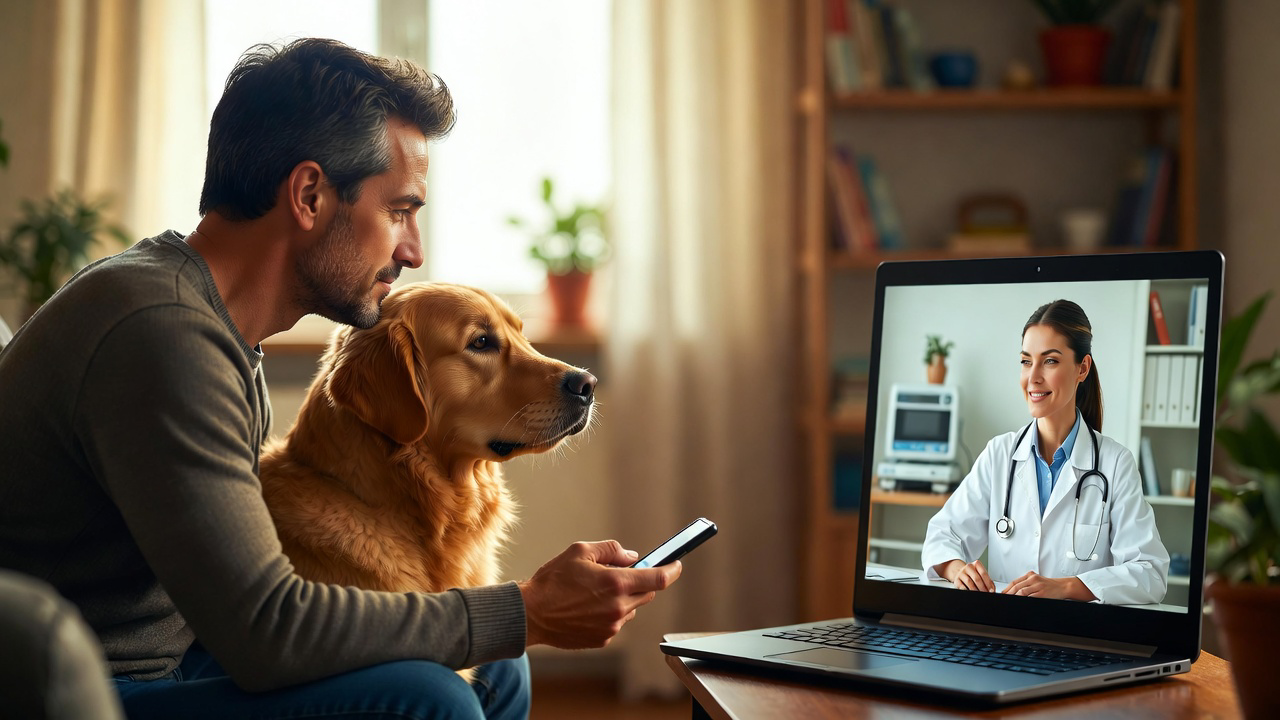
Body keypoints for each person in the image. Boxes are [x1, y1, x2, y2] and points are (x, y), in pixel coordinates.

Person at [0, 38, 680, 719]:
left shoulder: (203, 321)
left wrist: (510, 622)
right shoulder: (161, 334)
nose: (413, 250)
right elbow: (268, 627)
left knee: (499, 673)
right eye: (399, 212)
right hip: (88, 689)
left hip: (172, 659)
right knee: (429, 698)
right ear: (309, 194)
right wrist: (523, 609)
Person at [920, 300, 1169, 605]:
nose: (1033, 377)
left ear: (1082, 368)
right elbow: (941, 535)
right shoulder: (1000, 454)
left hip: (1076, 641)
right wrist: (958, 570)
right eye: (1026, 361)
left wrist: (1066, 587)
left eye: (1049, 361)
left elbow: (1150, 574)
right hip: (1005, 636)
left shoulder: (1115, 464)